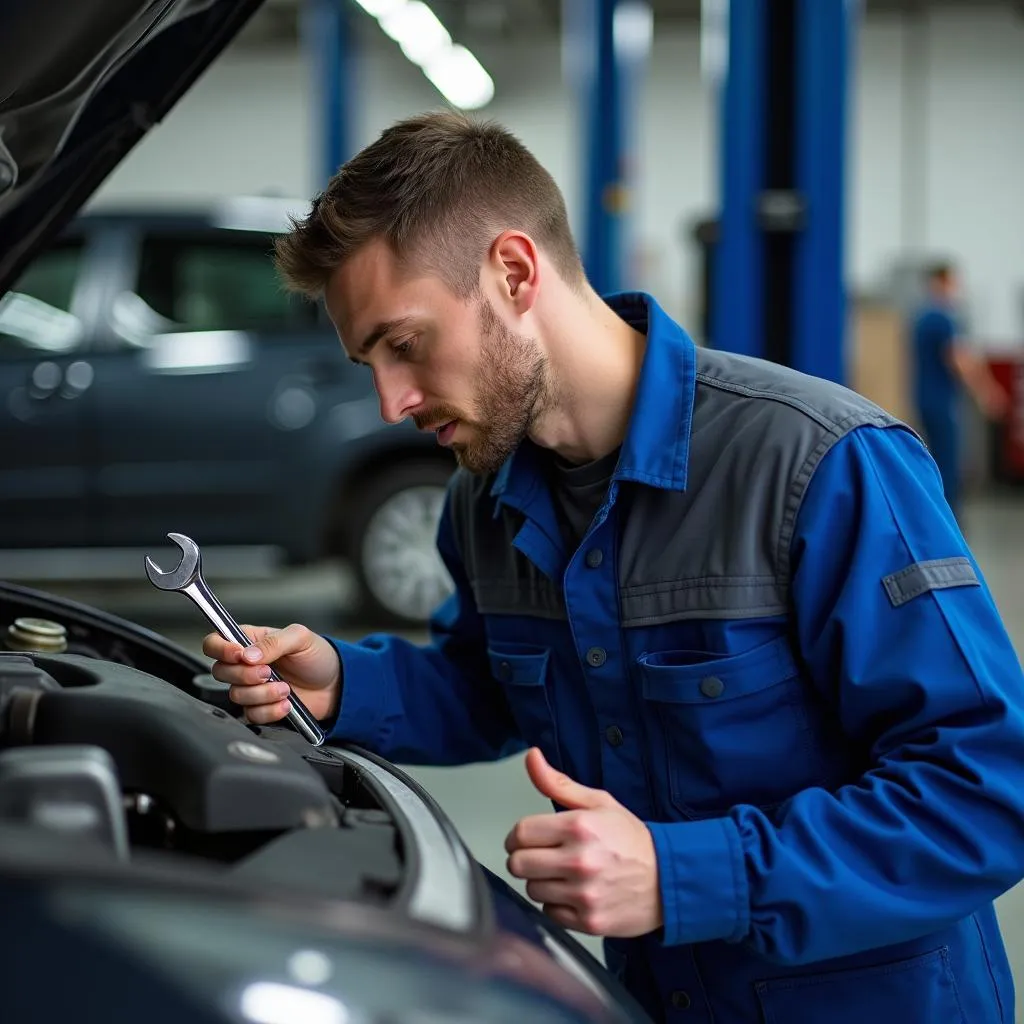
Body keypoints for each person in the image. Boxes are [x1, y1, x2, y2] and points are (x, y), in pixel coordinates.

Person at [204, 111, 1024, 1023]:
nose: (392, 401)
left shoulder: (815, 464)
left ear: (513, 273)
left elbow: (986, 787)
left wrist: (688, 879)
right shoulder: (487, 502)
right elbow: (491, 684)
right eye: (369, 364)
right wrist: (344, 685)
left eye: (405, 345)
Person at [910, 260, 1008, 522]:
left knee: (935, 457)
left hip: (926, 398)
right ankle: (948, 520)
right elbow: (959, 359)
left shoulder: (922, 318)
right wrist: (986, 391)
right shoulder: (942, 318)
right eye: (952, 282)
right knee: (948, 462)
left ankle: (937, 515)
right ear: (940, 282)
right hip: (941, 402)